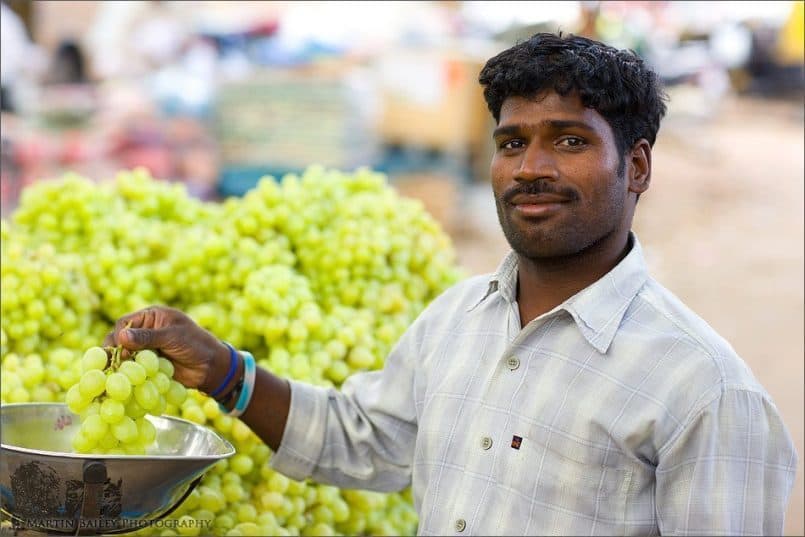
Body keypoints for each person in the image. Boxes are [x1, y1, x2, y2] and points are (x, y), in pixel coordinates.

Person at [105, 32, 797, 536]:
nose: (529, 167)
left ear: (637, 167)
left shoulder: (704, 389)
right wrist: (223, 369)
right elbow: (363, 437)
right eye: (509, 142)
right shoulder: (457, 319)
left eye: (569, 140)